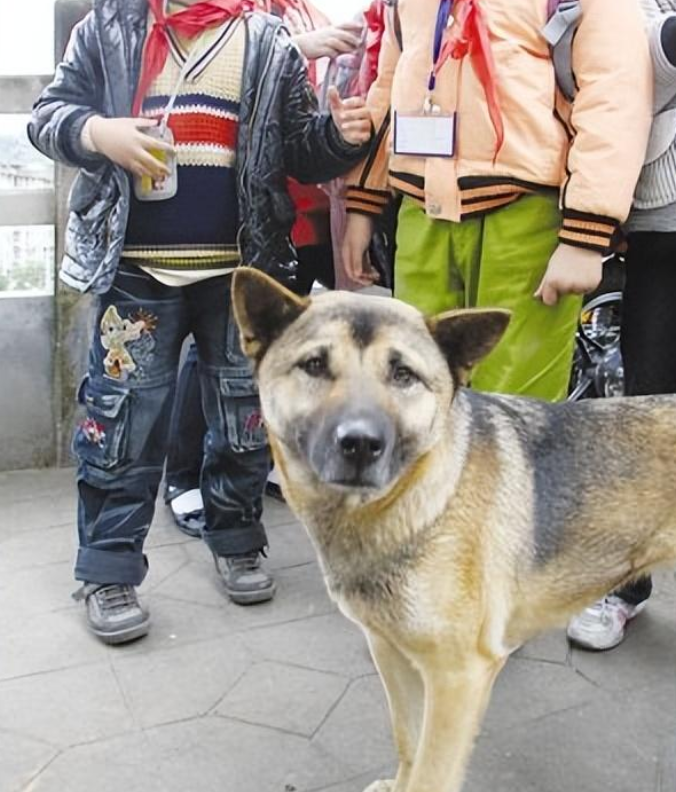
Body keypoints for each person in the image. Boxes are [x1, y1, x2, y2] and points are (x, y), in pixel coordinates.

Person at [28, 0, 372, 645]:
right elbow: (48, 117)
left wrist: (342, 137)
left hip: (241, 273)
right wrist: (100, 134)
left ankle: (237, 537)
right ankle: (108, 569)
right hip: (133, 270)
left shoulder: (267, 39)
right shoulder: (111, 25)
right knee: (121, 422)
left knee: (243, 415)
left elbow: (300, 150)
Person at [341, 0, 653, 406]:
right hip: (422, 213)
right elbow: (390, 85)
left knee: (517, 408)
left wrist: (586, 233)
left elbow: (615, 93)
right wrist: (363, 202)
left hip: (529, 218)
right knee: (415, 396)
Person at [164, 1, 367, 533]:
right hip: (262, 218)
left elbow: (307, 122)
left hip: (318, 207)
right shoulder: (236, 17)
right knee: (220, 351)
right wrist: (299, 50)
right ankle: (185, 475)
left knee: (281, 352)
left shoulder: (303, 10)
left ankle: (261, 463)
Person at [567, 1, 676, 651]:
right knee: (647, 421)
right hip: (665, 233)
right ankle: (624, 583)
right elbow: (630, 79)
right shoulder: (641, 17)